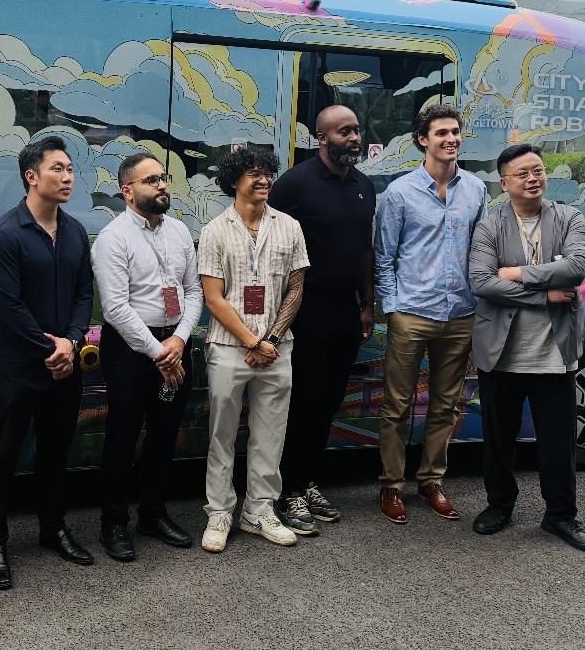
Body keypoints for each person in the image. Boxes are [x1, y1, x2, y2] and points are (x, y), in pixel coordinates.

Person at [0, 136, 95, 590]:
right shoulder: (4, 235)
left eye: (70, 169)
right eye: (57, 169)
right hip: (18, 367)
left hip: (66, 365)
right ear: (31, 176)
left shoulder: (75, 232)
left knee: (55, 450)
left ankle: (53, 528)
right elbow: (9, 308)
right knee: (3, 455)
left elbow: (84, 295)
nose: (67, 177)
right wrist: (52, 350)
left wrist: (72, 342)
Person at [468, 143, 585, 552]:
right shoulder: (489, 227)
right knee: (499, 439)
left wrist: (516, 273)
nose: (532, 179)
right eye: (521, 173)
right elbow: (481, 282)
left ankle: (560, 515)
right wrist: (543, 295)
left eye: (537, 170)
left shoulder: (569, 217)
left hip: (555, 354)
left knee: (558, 441)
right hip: (501, 352)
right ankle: (499, 505)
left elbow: (576, 267)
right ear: (504, 183)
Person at [373, 103, 486, 525]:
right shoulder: (399, 193)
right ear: (423, 140)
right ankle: (391, 485)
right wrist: (393, 309)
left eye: (455, 132)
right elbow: (383, 257)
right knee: (396, 405)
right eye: (441, 133)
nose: (451, 139)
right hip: (412, 313)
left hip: (460, 312)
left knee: (446, 405)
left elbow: (482, 251)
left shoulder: (476, 189)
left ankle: (431, 481)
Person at [269, 106, 376, 536]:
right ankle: (288, 490)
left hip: (346, 312)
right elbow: (266, 238)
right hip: (305, 311)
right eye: (344, 131)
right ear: (322, 138)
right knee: (305, 402)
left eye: (356, 130)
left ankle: (307, 480)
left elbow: (365, 249)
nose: (354, 137)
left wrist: (367, 304)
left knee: (330, 400)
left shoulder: (363, 186)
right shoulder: (295, 183)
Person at [197, 146, 309, 553]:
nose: (263, 180)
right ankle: (219, 512)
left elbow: (296, 288)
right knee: (222, 434)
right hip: (229, 347)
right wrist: (252, 341)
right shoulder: (215, 230)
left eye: (267, 173)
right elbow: (213, 297)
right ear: (233, 181)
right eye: (254, 173)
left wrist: (271, 341)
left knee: (270, 435)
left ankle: (259, 511)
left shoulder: (289, 226)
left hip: (277, 348)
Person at [92, 153, 204, 561]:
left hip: (174, 343)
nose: (162, 186)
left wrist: (179, 340)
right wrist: (161, 353)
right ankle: (113, 522)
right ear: (127, 191)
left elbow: (193, 291)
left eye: (163, 178)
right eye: (151, 180)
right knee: (122, 436)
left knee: (164, 432)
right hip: (131, 350)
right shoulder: (113, 238)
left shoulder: (178, 231)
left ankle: (153, 514)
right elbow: (115, 309)